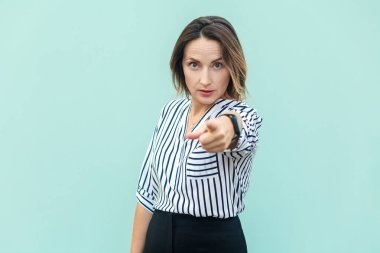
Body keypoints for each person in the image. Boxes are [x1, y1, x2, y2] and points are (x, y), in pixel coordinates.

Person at [130, 16, 263, 253]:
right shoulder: (170, 111)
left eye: (217, 65)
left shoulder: (243, 114)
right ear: (180, 66)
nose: (205, 79)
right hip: (158, 239)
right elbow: (147, 193)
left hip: (214, 243)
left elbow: (240, 129)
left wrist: (227, 128)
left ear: (232, 67)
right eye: (194, 64)